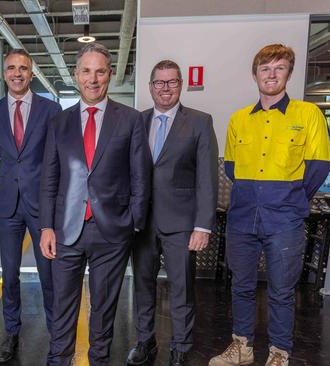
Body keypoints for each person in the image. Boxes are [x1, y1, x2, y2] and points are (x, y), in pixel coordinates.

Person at [209, 44, 330, 366]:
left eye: (279, 68)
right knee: (242, 287)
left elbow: (319, 165)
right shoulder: (239, 119)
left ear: (288, 73)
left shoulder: (308, 114)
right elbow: (232, 168)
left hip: (285, 219)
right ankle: (242, 347)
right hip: (243, 215)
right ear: (255, 74)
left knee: (281, 291)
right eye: (265, 69)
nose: (271, 74)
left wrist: (291, 198)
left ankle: (279, 352)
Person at [39, 42, 152, 366]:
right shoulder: (59, 123)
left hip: (112, 233)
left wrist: (133, 223)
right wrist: (47, 226)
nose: (93, 78)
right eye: (86, 71)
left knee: (103, 311)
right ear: (76, 76)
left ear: (110, 75)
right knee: (62, 309)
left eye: (100, 71)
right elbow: (49, 179)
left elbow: (140, 177)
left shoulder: (130, 120)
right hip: (65, 230)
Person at [127, 60, 218, 366]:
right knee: (142, 285)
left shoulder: (199, 121)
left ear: (181, 85)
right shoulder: (136, 122)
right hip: (141, 223)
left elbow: (207, 177)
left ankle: (180, 346)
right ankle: (145, 342)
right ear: (151, 87)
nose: (165, 88)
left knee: (181, 288)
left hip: (181, 223)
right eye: (159, 83)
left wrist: (203, 226)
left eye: (171, 82)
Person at [0, 48, 62, 363]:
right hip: (7, 206)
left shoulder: (51, 109)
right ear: (5, 73)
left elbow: (54, 160)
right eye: (12, 68)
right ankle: (11, 332)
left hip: (41, 204)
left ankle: (58, 333)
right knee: (10, 274)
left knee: (48, 273)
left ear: (31, 73)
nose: (17, 73)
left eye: (23, 68)